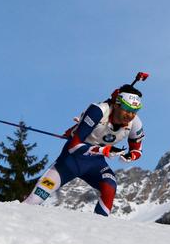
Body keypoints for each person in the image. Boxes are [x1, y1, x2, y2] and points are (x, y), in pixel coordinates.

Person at [22, 84, 145, 216]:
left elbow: (137, 150)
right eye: (127, 109)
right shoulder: (98, 111)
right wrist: (103, 150)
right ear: (116, 105)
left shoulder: (135, 123)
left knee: (110, 186)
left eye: (135, 110)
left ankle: (98, 227)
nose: (130, 115)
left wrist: (130, 156)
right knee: (33, 201)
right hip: (70, 162)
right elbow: (73, 147)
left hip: (95, 164)